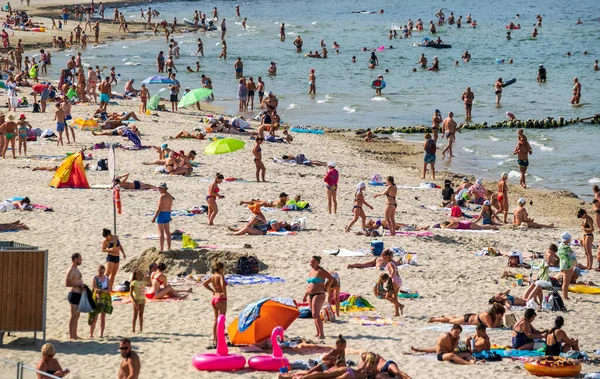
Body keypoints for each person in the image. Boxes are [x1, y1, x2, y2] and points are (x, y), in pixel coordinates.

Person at [411, 325, 478, 365]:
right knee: (452, 355)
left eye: (458, 333)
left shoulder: (455, 337)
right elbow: (450, 350)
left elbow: (439, 348)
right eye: (456, 332)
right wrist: (457, 341)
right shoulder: (446, 336)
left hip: (447, 353)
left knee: (467, 354)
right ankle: (467, 363)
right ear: (451, 330)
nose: (457, 334)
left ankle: (472, 362)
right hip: (441, 355)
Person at [304, 256, 335, 339]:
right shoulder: (311, 272)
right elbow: (309, 285)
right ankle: (318, 332)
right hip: (310, 294)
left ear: (318, 262)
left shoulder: (320, 271)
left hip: (319, 294)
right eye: (310, 262)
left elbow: (331, 278)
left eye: (313, 262)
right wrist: (305, 296)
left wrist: (326, 286)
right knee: (313, 315)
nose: (311, 263)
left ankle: (322, 334)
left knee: (316, 314)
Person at [203, 261, 227, 348]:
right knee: (222, 320)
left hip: (214, 299)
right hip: (221, 299)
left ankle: (214, 340)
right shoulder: (220, 276)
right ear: (221, 268)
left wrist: (213, 291)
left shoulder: (212, 276)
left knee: (216, 320)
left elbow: (204, 284)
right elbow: (222, 285)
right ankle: (220, 340)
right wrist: (223, 293)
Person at [428, 303, 505, 328]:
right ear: (497, 313)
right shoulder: (487, 315)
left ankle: (442, 318)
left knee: (455, 318)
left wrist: (498, 319)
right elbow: (491, 327)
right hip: (467, 320)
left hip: (472, 317)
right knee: (450, 321)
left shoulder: (492, 316)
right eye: (501, 314)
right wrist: (498, 319)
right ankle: (435, 319)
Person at [88, 264, 113, 338]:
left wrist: (102, 290)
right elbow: (94, 288)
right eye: (99, 272)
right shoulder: (95, 278)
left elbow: (109, 290)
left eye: (102, 272)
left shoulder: (106, 278)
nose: (101, 273)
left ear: (104, 271)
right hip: (97, 298)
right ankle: (91, 334)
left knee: (103, 317)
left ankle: (101, 334)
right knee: (95, 316)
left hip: (105, 299)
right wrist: (98, 291)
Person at [66, 253, 84, 340]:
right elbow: (67, 283)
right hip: (74, 294)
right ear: (75, 259)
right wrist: (78, 284)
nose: (81, 260)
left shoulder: (76, 269)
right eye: (80, 258)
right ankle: (71, 335)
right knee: (73, 315)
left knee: (77, 315)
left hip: (79, 294)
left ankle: (75, 334)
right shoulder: (71, 269)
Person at [101, 228, 125, 292]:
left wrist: (123, 253)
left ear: (109, 234)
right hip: (110, 257)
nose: (106, 238)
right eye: (105, 237)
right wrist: (109, 249)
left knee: (113, 274)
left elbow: (119, 246)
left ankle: (110, 289)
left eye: (107, 236)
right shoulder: (105, 241)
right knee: (107, 274)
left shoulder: (115, 238)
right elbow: (103, 249)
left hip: (117, 257)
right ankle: (102, 287)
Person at [152, 183, 173, 252]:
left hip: (162, 214)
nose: (159, 189)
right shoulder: (170, 196)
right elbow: (170, 207)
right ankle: (169, 248)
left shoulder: (162, 196)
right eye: (159, 188)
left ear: (164, 189)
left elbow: (159, 208)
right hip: (167, 214)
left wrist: (154, 217)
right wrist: (169, 216)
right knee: (167, 232)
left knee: (161, 232)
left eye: (160, 188)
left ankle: (161, 249)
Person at [558, 232, 577, 300]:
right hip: (567, 265)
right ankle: (565, 296)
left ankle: (565, 295)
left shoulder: (560, 245)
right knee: (566, 282)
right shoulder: (566, 247)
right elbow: (572, 255)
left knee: (565, 281)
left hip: (563, 265)